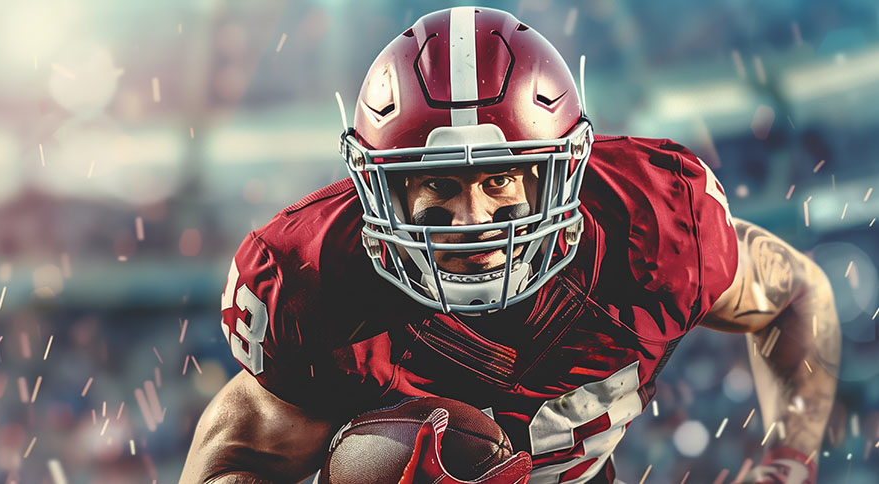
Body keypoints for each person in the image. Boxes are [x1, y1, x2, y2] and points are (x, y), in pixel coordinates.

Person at [180, 7, 840, 484]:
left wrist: (787, 462)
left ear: (563, 171)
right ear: (379, 188)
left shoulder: (654, 229)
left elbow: (794, 295)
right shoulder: (310, 280)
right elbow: (238, 461)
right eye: (438, 184)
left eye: (500, 180)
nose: (474, 221)